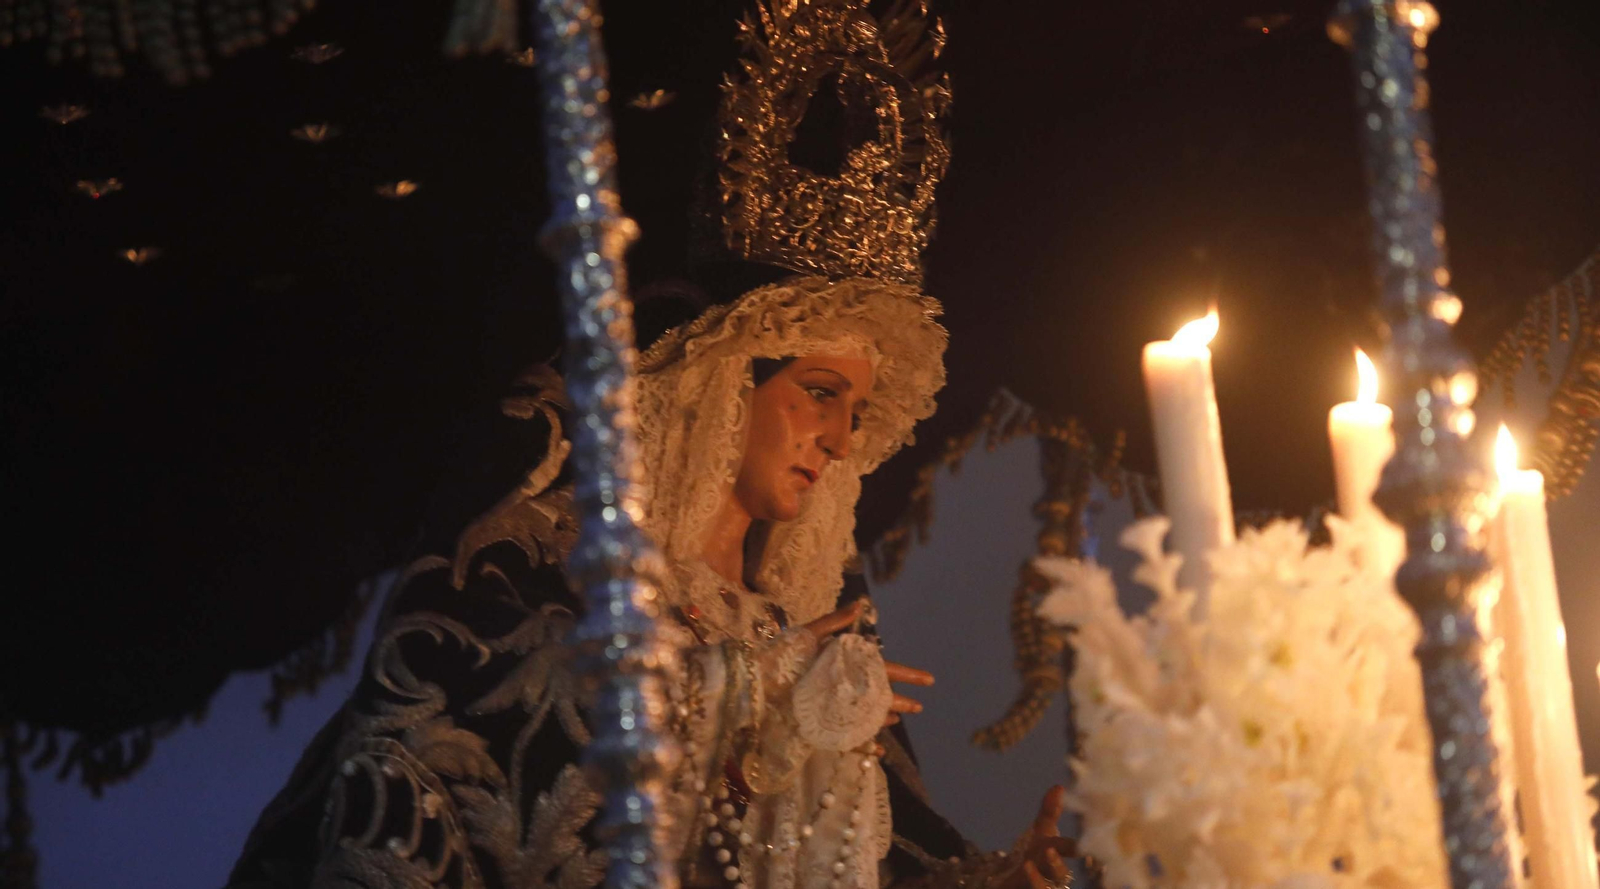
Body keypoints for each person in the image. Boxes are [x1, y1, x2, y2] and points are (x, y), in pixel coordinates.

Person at [228, 3, 1076, 888]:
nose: (837, 439)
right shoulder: (559, 574)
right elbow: (476, 752)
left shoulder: (808, 635)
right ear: (724, 383)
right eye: (818, 394)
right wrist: (737, 693)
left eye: (854, 412)